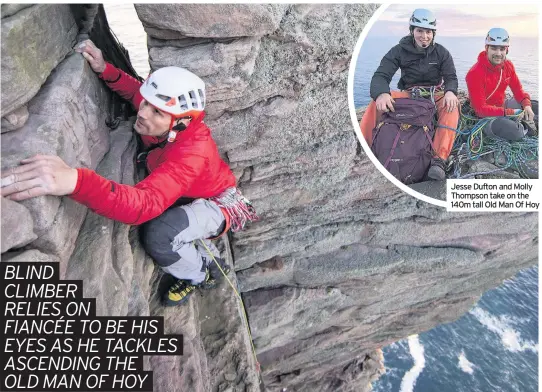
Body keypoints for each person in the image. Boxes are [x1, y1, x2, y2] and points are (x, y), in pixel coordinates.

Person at [1, 40, 257, 307]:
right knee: (174, 221)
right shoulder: (167, 118)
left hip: (218, 203)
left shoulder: (192, 153)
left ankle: (200, 274)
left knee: (160, 233)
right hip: (190, 192)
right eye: (146, 104)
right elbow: (135, 91)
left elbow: (143, 207)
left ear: (181, 123)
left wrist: (75, 181)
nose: (142, 114)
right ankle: (196, 247)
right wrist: (103, 68)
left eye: (156, 111)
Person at [360, 8, 460, 181]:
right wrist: (382, 93)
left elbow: (451, 76)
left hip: (435, 93)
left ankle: (438, 160)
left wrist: (451, 91)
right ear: (412, 31)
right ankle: (365, 148)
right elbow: (381, 75)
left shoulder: (442, 52)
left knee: (451, 108)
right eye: (420, 31)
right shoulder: (399, 51)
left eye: (428, 32)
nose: (424, 36)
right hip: (410, 94)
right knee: (375, 104)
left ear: (433, 33)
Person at [465, 28, 537, 141]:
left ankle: (526, 121)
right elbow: (480, 109)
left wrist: (526, 105)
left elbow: (518, 91)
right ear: (486, 48)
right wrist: (509, 112)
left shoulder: (508, 66)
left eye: (502, 49)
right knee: (515, 131)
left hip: (502, 106)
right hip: (484, 118)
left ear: (506, 50)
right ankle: (527, 126)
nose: (498, 53)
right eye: (494, 48)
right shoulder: (474, 73)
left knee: (535, 106)